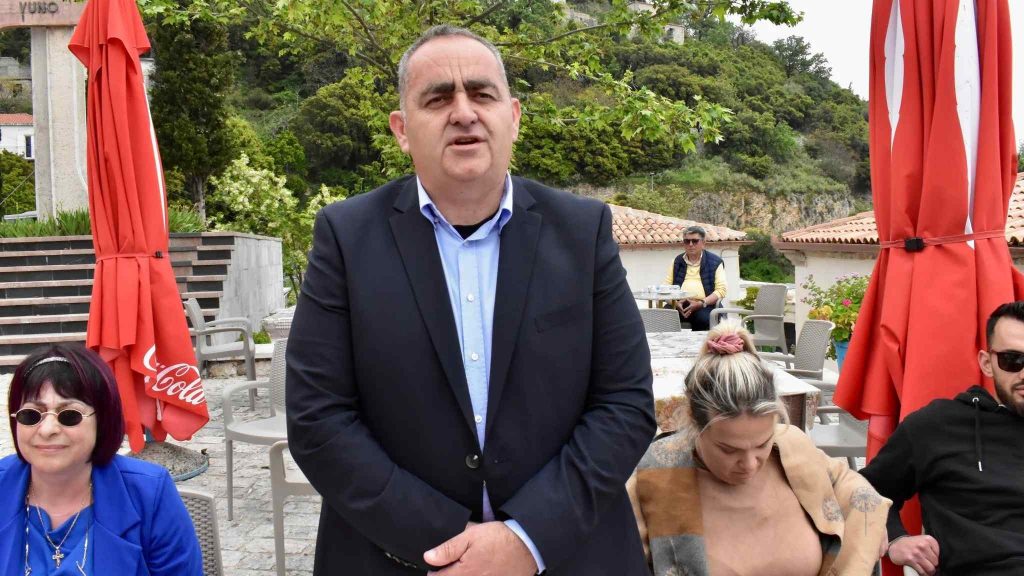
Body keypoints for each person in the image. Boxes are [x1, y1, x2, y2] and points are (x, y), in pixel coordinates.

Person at [285, 25, 656, 576]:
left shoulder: (583, 231)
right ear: (402, 129)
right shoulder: (345, 236)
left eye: (482, 94)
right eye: (438, 99)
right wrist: (451, 545)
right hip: (398, 558)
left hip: (568, 555)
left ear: (514, 117)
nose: (464, 113)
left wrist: (526, 540)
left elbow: (624, 403)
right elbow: (318, 419)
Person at [628, 324, 890, 575]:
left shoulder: (791, 447)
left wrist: (872, 519)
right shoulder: (656, 477)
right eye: (728, 450)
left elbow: (846, 482)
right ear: (694, 424)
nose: (750, 464)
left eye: (762, 444)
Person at [0, 344, 202, 575]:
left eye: (69, 415)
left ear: (103, 420)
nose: (47, 430)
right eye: (31, 415)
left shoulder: (149, 494)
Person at [860, 301, 1024, 575]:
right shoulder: (938, 426)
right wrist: (896, 540)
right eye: (1013, 360)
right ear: (987, 363)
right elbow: (862, 490)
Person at [664, 226, 726, 331]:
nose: (690, 244)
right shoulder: (676, 261)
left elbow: (721, 290)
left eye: (695, 241)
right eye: (687, 241)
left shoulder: (715, 262)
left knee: (703, 319)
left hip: (705, 305)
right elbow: (666, 287)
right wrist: (675, 303)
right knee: (662, 317)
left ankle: (699, 342)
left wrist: (701, 303)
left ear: (703, 243)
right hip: (679, 304)